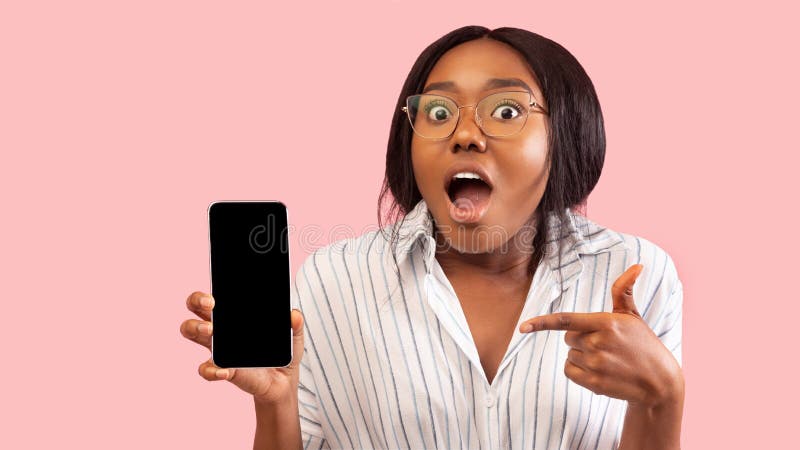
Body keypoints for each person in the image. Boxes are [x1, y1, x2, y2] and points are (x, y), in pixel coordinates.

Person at [181, 25, 684, 450]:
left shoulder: (635, 273)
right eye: (439, 113)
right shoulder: (335, 280)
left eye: (506, 111)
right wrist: (274, 405)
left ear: (568, 133)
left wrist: (662, 398)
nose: (464, 134)